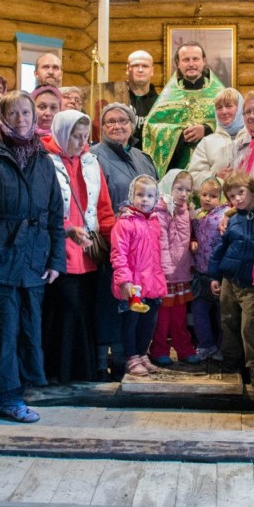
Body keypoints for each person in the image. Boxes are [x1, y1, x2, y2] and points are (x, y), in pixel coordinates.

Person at [0, 91, 65, 423]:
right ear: (3, 117)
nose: (21, 119)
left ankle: (14, 398)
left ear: (34, 118)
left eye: (26, 112)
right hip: (1, 254)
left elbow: (54, 213)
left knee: (26, 330)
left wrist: (55, 260)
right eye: (14, 113)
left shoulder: (43, 158)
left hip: (34, 256)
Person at [42, 110, 116, 383]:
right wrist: (64, 230)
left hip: (88, 250)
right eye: (76, 136)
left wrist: (111, 242)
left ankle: (81, 371)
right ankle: (58, 372)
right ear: (62, 133)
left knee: (84, 310)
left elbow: (104, 207)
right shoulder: (45, 160)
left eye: (85, 137)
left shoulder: (90, 162)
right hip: (59, 247)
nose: (81, 142)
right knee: (63, 311)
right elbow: (42, 206)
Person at [91, 103, 158, 378]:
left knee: (141, 306)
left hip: (143, 248)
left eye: (123, 121)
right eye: (110, 122)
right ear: (102, 127)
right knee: (114, 305)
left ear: (132, 125)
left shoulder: (144, 157)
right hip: (112, 242)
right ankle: (115, 358)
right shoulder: (94, 156)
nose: (117, 126)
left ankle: (138, 354)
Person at [208, 171, 254, 389]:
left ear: (252, 190)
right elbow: (221, 248)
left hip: (252, 282)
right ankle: (231, 360)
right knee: (228, 320)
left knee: (250, 324)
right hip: (229, 278)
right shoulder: (233, 219)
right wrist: (215, 276)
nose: (237, 199)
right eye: (232, 196)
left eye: (241, 193)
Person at [110, 175, 166, 377]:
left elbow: (159, 252)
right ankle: (131, 357)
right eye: (140, 194)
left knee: (148, 322)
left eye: (150, 195)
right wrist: (124, 280)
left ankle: (142, 354)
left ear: (156, 198)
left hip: (151, 283)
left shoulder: (155, 222)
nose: (144, 199)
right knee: (131, 321)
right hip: (133, 285)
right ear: (131, 195)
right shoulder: (125, 223)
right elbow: (119, 254)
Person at [142, 41, 224, 175]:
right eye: (186, 60)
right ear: (178, 64)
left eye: (195, 59)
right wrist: (179, 135)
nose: (191, 64)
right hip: (177, 169)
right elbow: (151, 128)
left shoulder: (219, 94)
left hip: (211, 168)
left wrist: (207, 129)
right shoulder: (168, 96)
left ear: (204, 61)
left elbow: (233, 125)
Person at [151, 170, 200, 366]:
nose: (183, 194)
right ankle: (159, 349)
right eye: (179, 189)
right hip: (163, 274)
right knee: (162, 318)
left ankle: (184, 348)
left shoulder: (188, 211)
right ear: (168, 187)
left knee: (180, 317)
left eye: (188, 190)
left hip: (182, 272)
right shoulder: (159, 211)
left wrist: (194, 241)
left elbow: (192, 234)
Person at [191, 177, 230, 363]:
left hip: (220, 274)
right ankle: (206, 345)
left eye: (213, 196)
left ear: (221, 198)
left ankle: (223, 347)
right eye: (204, 195)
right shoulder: (196, 215)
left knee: (222, 314)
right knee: (199, 310)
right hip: (200, 272)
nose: (207, 199)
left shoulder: (225, 214)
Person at [186, 88, 244, 190]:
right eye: (219, 107)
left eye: (229, 106)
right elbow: (193, 177)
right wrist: (215, 177)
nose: (224, 112)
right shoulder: (207, 142)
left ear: (240, 108)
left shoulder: (252, 138)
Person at [126, 51, 158, 149]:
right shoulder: (116, 100)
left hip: (150, 160)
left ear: (152, 70)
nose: (140, 70)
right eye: (135, 65)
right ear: (128, 69)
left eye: (145, 66)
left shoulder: (160, 104)